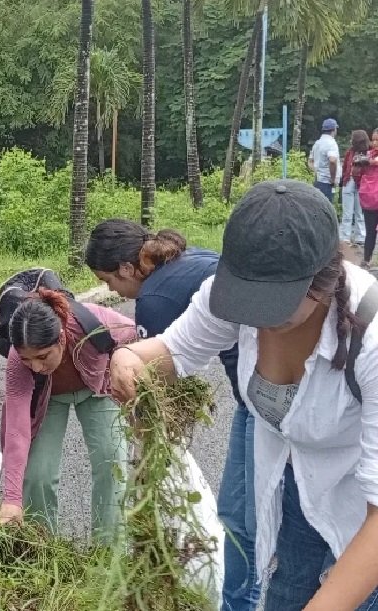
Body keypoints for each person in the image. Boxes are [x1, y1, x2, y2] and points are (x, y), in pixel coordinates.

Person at [108, 180, 378, 611]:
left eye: (274, 308)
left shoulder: (372, 336)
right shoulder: (230, 295)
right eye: (248, 301)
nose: (258, 320)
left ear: (324, 280)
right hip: (301, 489)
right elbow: (171, 351)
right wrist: (126, 358)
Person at [83, 218, 254, 606]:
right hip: (264, 380)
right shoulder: (189, 258)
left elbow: (156, 385)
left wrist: (147, 456)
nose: (113, 290)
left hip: (264, 389)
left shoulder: (155, 298)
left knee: (243, 524)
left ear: (127, 269)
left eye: (110, 282)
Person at [0, 288, 135, 543]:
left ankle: (109, 553)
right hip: (48, 398)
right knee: (37, 474)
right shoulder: (18, 359)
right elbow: (17, 427)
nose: (36, 367)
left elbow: (142, 337)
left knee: (112, 463)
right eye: (28, 360)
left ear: (60, 339)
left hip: (98, 389)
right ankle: (42, 549)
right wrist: (11, 499)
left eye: (42, 356)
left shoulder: (96, 323)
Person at [341, 130, 368, 245]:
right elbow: (344, 166)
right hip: (349, 182)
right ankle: (345, 237)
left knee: (359, 212)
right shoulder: (350, 152)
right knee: (347, 212)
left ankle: (360, 237)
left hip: (360, 183)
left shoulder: (368, 153)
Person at [310, 118, 340, 202]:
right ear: (334, 129)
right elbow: (332, 160)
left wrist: (317, 171)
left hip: (318, 181)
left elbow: (310, 161)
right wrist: (333, 179)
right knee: (327, 208)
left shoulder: (317, 143)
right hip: (327, 182)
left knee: (318, 207)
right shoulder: (331, 143)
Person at [360, 130, 378, 268]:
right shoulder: (368, 156)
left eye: (377, 140)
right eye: (373, 140)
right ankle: (366, 259)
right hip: (370, 200)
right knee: (370, 231)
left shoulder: (367, 158)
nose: (374, 143)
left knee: (371, 231)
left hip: (370, 198)